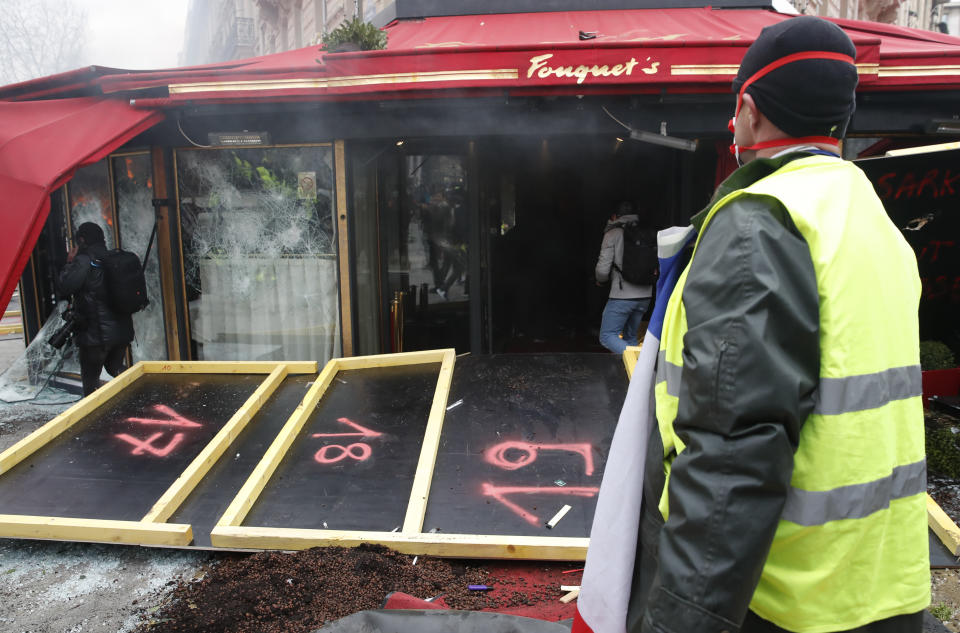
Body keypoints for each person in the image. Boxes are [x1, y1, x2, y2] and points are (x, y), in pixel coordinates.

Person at [579, 16, 930, 633]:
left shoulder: (758, 223)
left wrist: (677, 622)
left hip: (777, 599)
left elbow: (732, 453)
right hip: (882, 588)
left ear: (748, 110)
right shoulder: (872, 217)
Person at [59, 222, 134, 396]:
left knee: (91, 380)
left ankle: (93, 417)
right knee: (115, 367)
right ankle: (136, 398)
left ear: (82, 240)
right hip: (121, 330)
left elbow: (66, 286)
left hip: (96, 335)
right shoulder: (112, 258)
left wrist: (69, 262)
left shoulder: (84, 261)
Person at [595, 201, 653, 354]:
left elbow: (602, 269)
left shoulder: (612, 234)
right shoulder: (646, 231)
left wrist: (600, 281)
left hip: (622, 295)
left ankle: (640, 365)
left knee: (607, 336)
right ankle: (634, 376)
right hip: (645, 295)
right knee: (630, 337)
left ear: (615, 216)